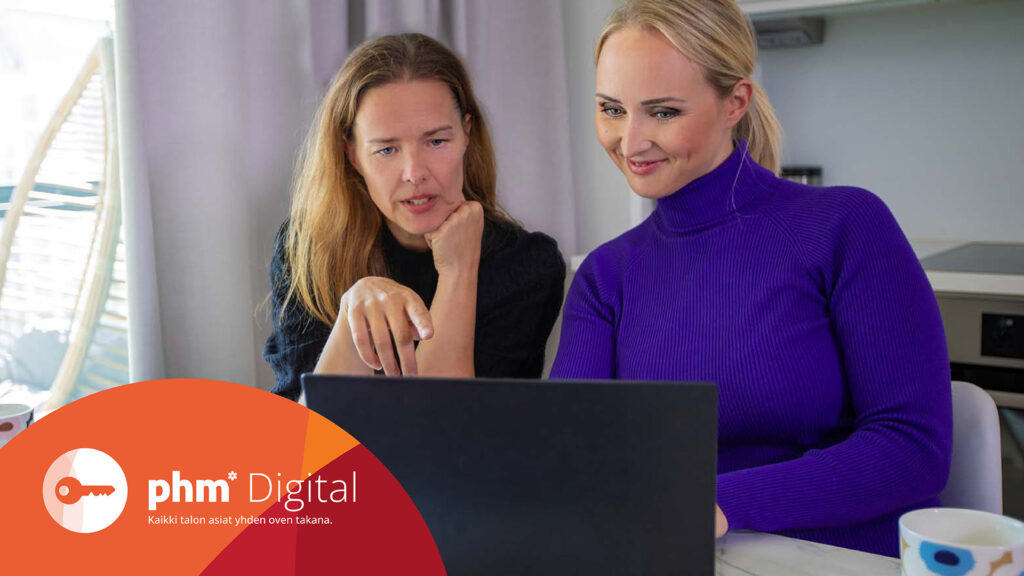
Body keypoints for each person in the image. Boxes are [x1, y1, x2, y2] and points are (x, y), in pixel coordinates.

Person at [550, 0, 951, 557]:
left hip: (839, 559)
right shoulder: (604, 276)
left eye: (663, 112)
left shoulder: (845, 226)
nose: (631, 140)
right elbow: (571, 454)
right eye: (612, 109)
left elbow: (912, 447)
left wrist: (716, 503)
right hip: (672, 552)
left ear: (735, 102)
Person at [265, 33, 565, 400]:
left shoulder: (527, 266)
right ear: (352, 154)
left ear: (466, 134)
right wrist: (351, 317)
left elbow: (444, 423)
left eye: (436, 141)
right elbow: (304, 433)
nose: (414, 173)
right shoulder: (305, 252)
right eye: (387, 150)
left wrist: (458, 272)